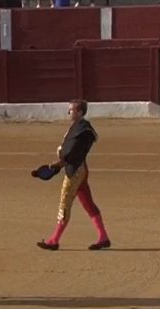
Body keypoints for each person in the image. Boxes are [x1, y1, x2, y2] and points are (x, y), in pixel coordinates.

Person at [37, 99, 111, 251]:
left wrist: (59, 163)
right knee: (88, 204)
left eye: (71, 110)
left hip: (75, 171)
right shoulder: (79, 128)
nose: (68, 112)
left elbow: (72, 153)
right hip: (79, 168)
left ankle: (54, 240)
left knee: (65, 202)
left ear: (80, 112)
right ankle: (103, 237)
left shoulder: (82, 130)